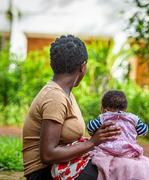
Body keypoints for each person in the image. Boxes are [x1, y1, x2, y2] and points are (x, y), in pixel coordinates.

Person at [22, 35, 121, 180]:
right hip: (44, 173)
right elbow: (47, 155)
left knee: (121, 164)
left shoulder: (65, 92)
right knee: (115, 172)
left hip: (61, 166)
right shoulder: (55, 97)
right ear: (83, 67)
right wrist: (92, 142)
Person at [54, 90, 149, 180]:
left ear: (104, 109)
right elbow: (144, 130)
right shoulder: (133, 118)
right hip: (128, 151)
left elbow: (90, 128)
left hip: (107, 151)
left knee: (95, 151)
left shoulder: (104, 117)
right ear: (125, 109)